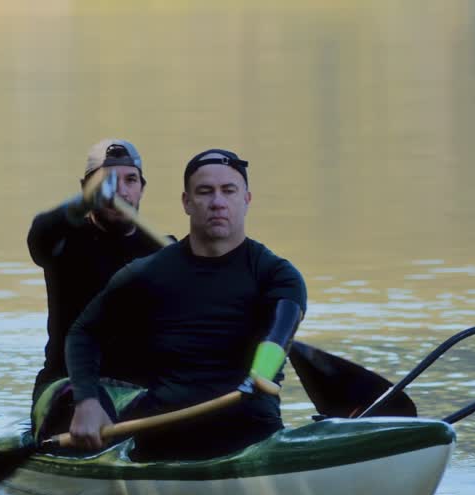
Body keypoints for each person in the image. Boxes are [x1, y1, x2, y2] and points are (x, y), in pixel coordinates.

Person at [64, 149, 307, 461]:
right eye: (205, 192)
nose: (217, 202)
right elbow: (83, 333)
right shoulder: (147, 272)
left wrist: (260, 374)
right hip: (163, 438)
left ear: (246, 199)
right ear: (187, 203)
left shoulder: (278, 274)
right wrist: (86, 401)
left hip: (249, 431)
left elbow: (280, 334)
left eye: (228, 191)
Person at [26, 138, 164, 407]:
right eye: (107, 182)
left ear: (142, 188)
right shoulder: (62, 241)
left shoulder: (163, 250)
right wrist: (84, 203)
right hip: (65, 386)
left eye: (130, 180)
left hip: (138, 390)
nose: (119, 191)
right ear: (85, 189)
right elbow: (40, 234)